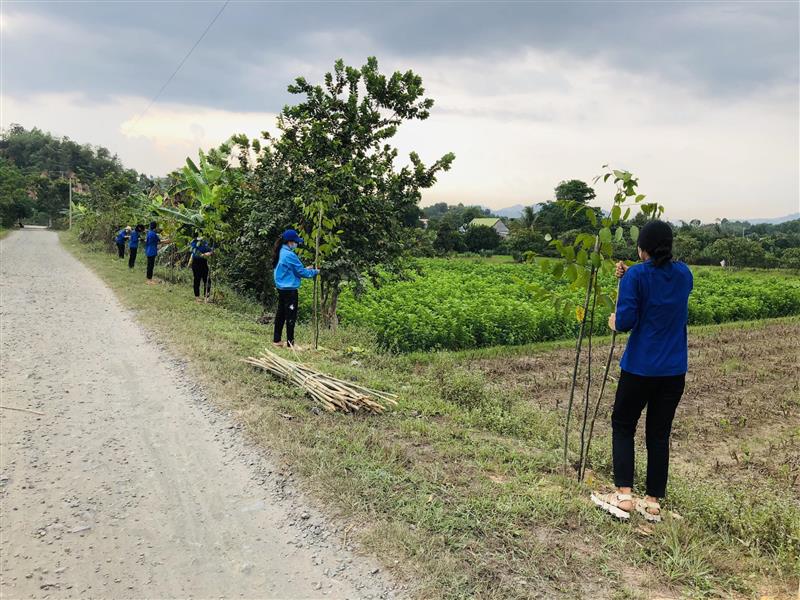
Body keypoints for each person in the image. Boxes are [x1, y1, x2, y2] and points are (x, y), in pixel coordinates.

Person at [591, 220, 693, 523]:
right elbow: (661, 280)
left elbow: (624, 322)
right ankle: (651, 503)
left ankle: (623, 496)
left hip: (640, 367)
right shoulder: (684, 274)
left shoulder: (636, 275)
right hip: (674, 370)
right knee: (658, 434)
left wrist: (613, 318)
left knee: (623, 424)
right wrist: (631, 274)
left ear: (642, 247)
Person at [271, 229, 319, 349]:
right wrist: (315, 272)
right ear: (290, 242)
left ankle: (277, 340)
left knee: (281, 313)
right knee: (290, 316)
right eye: (295, 242)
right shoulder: (290, 255)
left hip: (281, 287)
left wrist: (305, 269)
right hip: (289, 290)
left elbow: (293, 269)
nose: (296, 244)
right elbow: (302, 272)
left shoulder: (281, 251)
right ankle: (290, 344)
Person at [189, 234, 213, 302]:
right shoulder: (194, 242)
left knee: (207, 280)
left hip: (204, 262)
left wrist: (211, 253)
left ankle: (207, 296)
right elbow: (194, 252)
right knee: (197, 279)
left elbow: (210, 250)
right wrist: (204, 254)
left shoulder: (205, 242)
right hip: (196, 262)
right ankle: (197, 297)